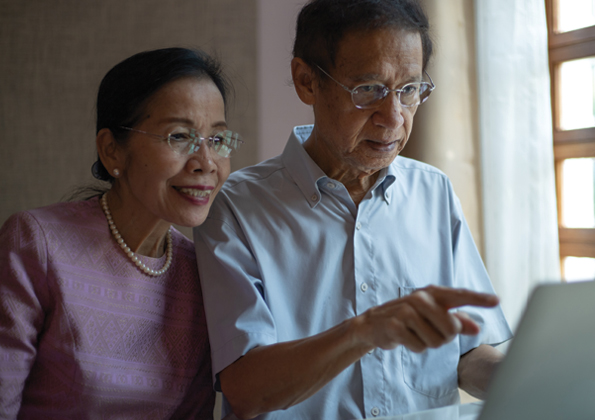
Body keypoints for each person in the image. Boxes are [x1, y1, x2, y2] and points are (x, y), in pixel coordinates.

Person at [194, 1, 512, 419]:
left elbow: (467, 353)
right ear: (307, 81)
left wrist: (529, 379)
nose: (393, 117)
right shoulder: (238, 208)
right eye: (369, 90)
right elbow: (247, 389)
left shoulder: (433, 192)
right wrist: (363, 332)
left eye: (409, 90)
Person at [0, 47, 242, 418]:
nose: (206, 163)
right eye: (179, 137)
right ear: (112, 151)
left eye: (218, 140)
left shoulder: (201, 273)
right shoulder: (37, 242)